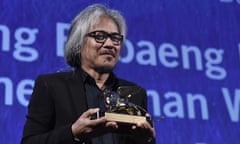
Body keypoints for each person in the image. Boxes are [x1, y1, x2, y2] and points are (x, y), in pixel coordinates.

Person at [21, 3, 155, 144]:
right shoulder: (51, 86)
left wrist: (145, 141)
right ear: (78, 43)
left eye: (115, 38)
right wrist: (73, 133)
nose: (110, 44)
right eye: (100, 36)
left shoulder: (136, 94)